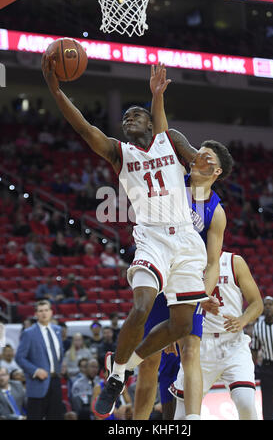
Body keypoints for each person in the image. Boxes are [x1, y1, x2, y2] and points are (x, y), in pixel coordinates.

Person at [42, 54, 219, 420]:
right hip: (152, 238)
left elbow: (192, 157)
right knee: (141, 307)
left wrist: (200, 162)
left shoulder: (167, 139)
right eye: (125, 117)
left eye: (135, 114)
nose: (128, 119)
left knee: (183, 326)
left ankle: (122, 365)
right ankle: (118, 375)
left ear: (150, 120)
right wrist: (56, 89)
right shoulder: (117, 152)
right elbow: (82, 127)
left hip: (186, 239)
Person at [133, 63, 232, 420]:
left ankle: (192, 419)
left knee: (191, 348)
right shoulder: (174, 178)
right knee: (148, 363)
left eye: (206, 156)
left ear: (216, 170)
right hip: (160, 275)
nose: (197, 156)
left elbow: (212, 261)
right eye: (197, 152)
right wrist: (157, 96)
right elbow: (161, 133)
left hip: (188, 281)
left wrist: (203, 294)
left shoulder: (216, 211)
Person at [170, 251, 263, 420]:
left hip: (233, 343)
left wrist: (242, 320)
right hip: (198, 343)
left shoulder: (234, 261)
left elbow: (257, 303)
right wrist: (170, 334)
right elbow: (174, 302)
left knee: (246, 404)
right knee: (182, 416)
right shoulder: (184, 262)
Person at [15, 300, 65, 420]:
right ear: (36, 314)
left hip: (55, 381)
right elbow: (19, 357)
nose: (44, 313)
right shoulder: (29, 333)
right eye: (40, 311)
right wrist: (36, 371)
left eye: (46, 310)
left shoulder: (57, 330)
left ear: (51, 312)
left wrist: (60, 365)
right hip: (38, 382)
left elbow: (59, 352)